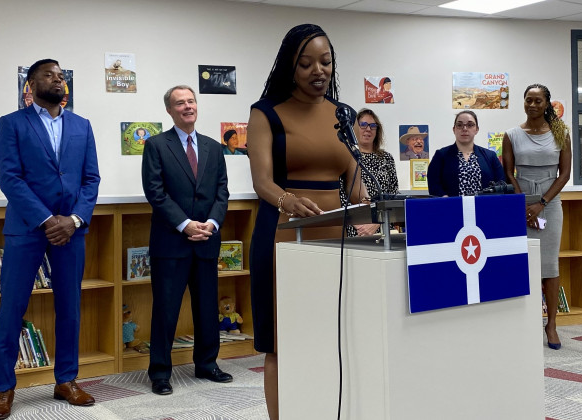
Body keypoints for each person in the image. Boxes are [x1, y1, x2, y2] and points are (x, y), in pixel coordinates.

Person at [246, 23, 367, 420]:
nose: (319, 71)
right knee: (281, 340)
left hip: (334, 235)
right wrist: (288, 199)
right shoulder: (266, 112)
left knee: (331, 336)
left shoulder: (343, 114)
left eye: (326, 61)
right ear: (290, 67)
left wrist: (369, 209)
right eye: (307, 64)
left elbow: (353, 180)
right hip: (282, 234)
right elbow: (262, 181)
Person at [0, 59, 100, 420]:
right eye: (49, 75)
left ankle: (66, 380)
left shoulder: (82, 126)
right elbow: (10, 178)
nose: (58, 79)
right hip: (27, 228)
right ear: (31, 84)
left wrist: (74, 219)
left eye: (61, 75)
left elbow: (91, 179)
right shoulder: (11, 123)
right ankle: (4, 389)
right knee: (12, 309)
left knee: (69, 307)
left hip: (72, 229)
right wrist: (46, 219)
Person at [141, 85, 232, 396]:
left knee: (207, 307)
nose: (187, 107)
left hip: (207, 239)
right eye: (180, 103)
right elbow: (155, 192)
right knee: (166, 309)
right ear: (170, 110)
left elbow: (222, 192)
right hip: (171, 243)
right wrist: (185, 224)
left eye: (191, 101)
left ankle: (207, 364)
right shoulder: (155, 145)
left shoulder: (212, 147)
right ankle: (160, 373)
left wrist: (211, 223)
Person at [502, 83, 571, 350]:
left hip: (550, 203)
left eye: (538, 101)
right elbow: (509, 173)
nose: (532, 105)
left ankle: (551, 324)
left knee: (550, 266)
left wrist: (541, 203)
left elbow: (564, 175)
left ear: (547, 104)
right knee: (523, 264)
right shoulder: (512, 135)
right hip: (520, 202)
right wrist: (523, 203)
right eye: (528, 100)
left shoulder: (560, 133)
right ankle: (527, 321)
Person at [339, 108, 399, 236]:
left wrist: (377, 222)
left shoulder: (387, 158)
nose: (368, 129)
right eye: (363, 125)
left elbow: (393, 194)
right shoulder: (346, 156)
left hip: (383, 225)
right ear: (354, 129)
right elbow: (342, 196)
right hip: (355, 227)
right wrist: (360, 225)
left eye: (372, 126)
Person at [427, 110, 504, 197]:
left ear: (477, 129)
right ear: (454, 129)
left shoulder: (490, 156)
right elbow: (433, 184)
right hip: (452, 207)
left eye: (470, 125)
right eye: (459, 125)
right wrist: (444, 198)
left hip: (484, 207)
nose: (464, 129)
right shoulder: (441, 156)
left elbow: (501, 184)